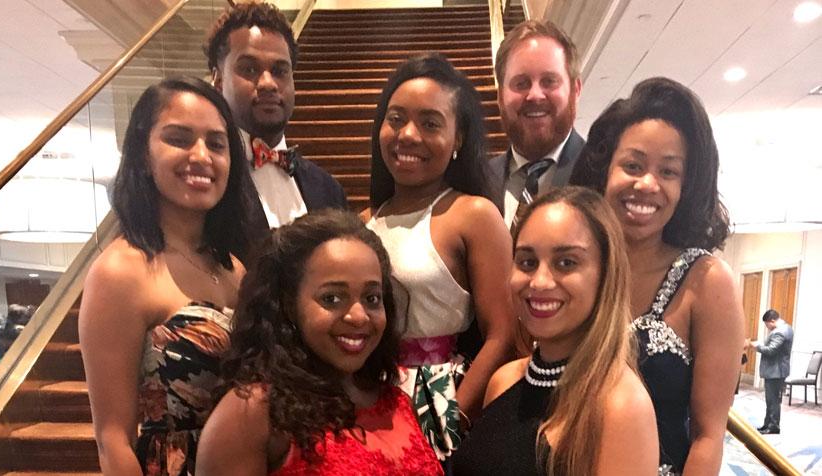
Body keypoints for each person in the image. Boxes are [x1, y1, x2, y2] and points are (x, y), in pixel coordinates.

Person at [79, 76, 258, 475]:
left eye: (216, 143)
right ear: (143, 153)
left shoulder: (233, 268)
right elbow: (113, 440)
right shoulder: (120, 271)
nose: (201, 156)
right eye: (179, 139)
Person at [570, 77, 745, 475]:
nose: (647, 184)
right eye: (632, 166)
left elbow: (708, 436)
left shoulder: (707, 281)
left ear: (686, 186)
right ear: (605, 170)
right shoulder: (573, 266)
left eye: (668, 172)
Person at [196, 210, 442, 475]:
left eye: (372, 298)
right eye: (332, 299)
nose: (359, 316)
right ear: (289, 305)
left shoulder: (397, 402)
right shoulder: (254, 410)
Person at [365, 53, 514, 461]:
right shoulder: (363, 223)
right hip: (367, 398)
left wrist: (454, 418)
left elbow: (502, 333)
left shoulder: (474, 214)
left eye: (430, 123)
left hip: (439, 402)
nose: (408, 134)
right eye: (395, 118)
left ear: (458, 139)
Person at [452, 186, 658, 475]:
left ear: (605, 275)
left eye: (566, 262)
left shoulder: (620, 405)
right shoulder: (504, 380)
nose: (539, 281)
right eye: (527, 262)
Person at [205, 2, 347, 233]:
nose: (268, 84)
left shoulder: (328, 189)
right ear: (218, 81)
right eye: (249, 69)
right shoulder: (203, 178)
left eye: (280, 71)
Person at [487, 20, 586, 228]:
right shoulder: (477, 180)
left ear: (575, 90)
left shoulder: (604, 175)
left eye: (549, 81)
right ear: (500, 97)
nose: (534, 95)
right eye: (521, 83)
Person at [748, 309, 794, 435]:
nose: (767, 327)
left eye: (767, 324)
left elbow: (771, 350)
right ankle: (767, 424)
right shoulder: (786, 328)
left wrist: (755, 346)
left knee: (773, 400)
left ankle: (773, 426)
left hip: (776, 371)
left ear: (772, 321)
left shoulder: (780, 332)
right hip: (777, 371)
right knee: (771, 400)